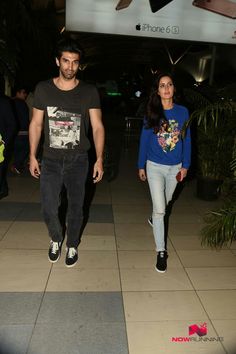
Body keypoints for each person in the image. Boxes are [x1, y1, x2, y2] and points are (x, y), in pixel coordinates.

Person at [29, 36, 105, 267]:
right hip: (50, 159)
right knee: (49, 207)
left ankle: (72, 243)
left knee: (76, 206)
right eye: (66, 61)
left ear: (79, 64)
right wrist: (33, 155)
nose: (70, 66)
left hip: (78, 159)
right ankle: (55, 238)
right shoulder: (43, 89)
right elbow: (36, 124)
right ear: (57, 61)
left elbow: (98, 127)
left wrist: (99, 158)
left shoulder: (89, 91)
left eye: (74, 62)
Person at [138, 73, 191, 273]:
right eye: (162, 85)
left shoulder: (183, 112)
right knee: (161, 209)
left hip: (175, 168)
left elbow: (187, 139)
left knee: (166, 202)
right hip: (154, 167)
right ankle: (161, 251)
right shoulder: (151, 112)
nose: (166, 88)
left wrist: (185, 165)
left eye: (169, 84)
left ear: (174, 88)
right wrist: (140, 165)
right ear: (157, 90)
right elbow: (143, 140)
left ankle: (154, 218)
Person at [0, 85, 18, 199]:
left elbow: (12, 125)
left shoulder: (3, 103)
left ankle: (2, 189)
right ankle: (3, 188)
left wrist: (4, 141)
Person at [11, 87, 30, 174]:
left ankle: (16, 165)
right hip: (22, 131)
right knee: (25, 148)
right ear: (17, 93)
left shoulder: (11, 102)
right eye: (23, 93)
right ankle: (16, 165)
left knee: (16, 149)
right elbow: (24, 118)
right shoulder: (21, 103)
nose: (25, 95)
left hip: (14, 131)